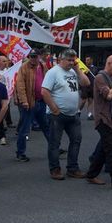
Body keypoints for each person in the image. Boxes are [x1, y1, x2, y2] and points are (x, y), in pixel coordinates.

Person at [42, 49, 90, 180]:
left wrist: (78, 69)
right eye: (68, 60)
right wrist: (54, 109)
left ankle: (72, 168)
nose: (71, 62)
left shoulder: (73, 71)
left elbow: (86, 83)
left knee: (76, 140)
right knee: (55, 143)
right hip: (57, 115)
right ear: (60, 60)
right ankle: (55, 169)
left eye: (73, 60)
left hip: (73, 114)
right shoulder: (53, 72)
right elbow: (45, 91)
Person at [85, 55, 112, 192]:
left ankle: (91, 174)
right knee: (111, 150)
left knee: (103, 149)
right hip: (103, 118)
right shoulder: (100, 78)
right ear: (108, 63)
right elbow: (108, 96)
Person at [14, 49, 49, 162]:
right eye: (31, 56)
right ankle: (20, 153)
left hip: (41, 101)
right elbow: (20, 85)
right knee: (24, 129)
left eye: (35, 56)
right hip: (29, 103)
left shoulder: (43, 66)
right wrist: (24, 101)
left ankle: (55, 148)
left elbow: (48, 80)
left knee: (47, 127)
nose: (33, 58)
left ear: (39, 56)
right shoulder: (24, 67)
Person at [0, 55, 11, 145]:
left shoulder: (8, 71)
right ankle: (2, 137)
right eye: (4, 61)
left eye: (7, 61)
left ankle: (1, 135)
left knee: (1, 116)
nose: (6, 63)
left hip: (5, 97)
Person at [79, 56, 97, 120]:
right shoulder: (83, 68)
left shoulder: (95, 68)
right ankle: (78, 111)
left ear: (91, 60)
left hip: (92, 87)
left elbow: (96, 76)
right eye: (86, 60)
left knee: (90, 101)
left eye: (88, 60)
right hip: (85, 87)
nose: (87, 61)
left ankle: (90, 114)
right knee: (83, 101)